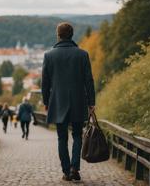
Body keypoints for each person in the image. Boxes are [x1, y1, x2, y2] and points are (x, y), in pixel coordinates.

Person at [41, 22, 95, 181]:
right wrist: (91, 102)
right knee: (78, 135)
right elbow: (89, 81)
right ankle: (74, 168)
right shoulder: (82, 54)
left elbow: (45, 83)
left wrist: (46, 101)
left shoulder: (49, 55)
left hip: (57, 102)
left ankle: (66, 171)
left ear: (58, 35)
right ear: (72, 35)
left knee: (62, 137)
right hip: (78, 101)